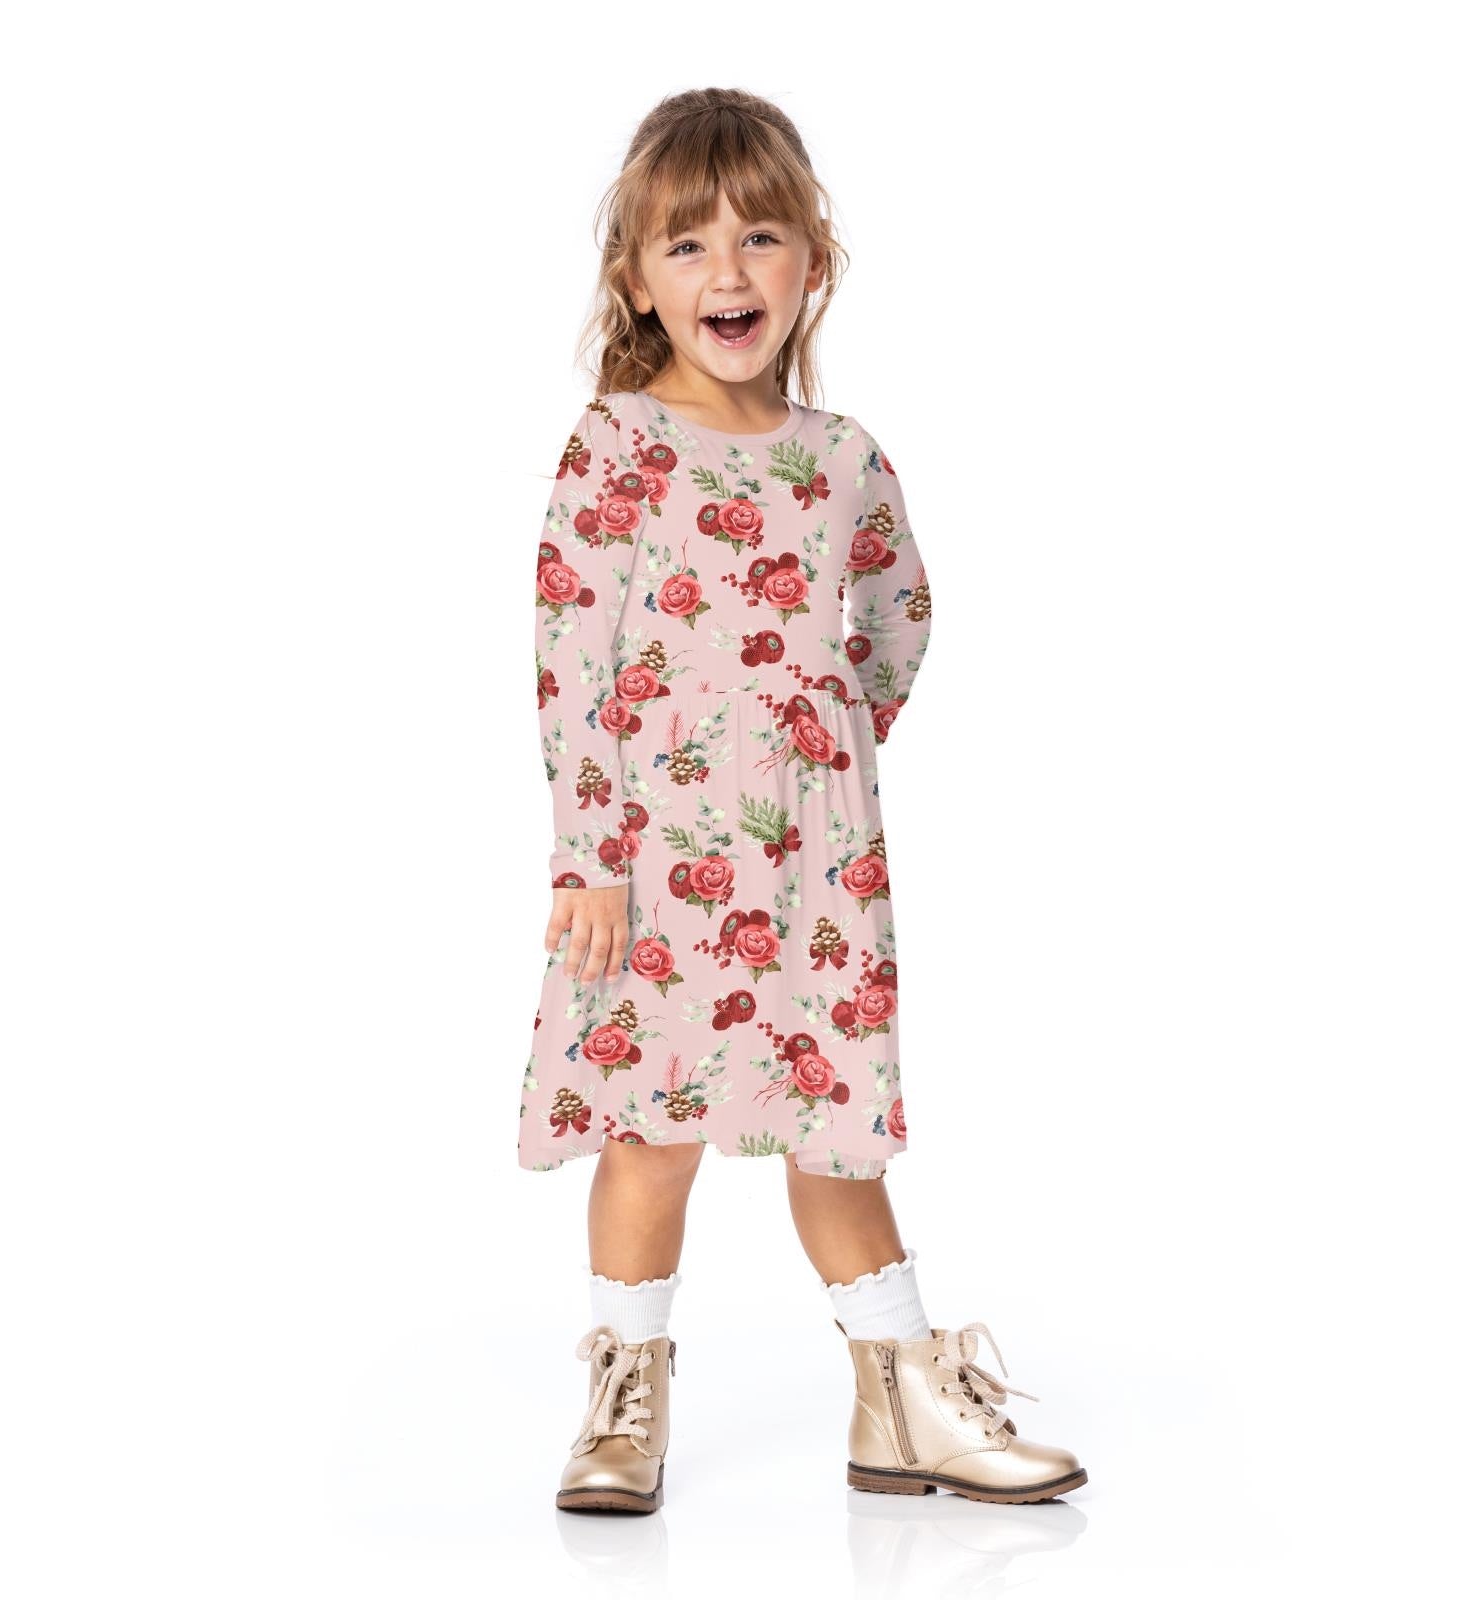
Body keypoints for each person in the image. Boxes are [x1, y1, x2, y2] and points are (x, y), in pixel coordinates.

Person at [521, 87, 1087, 1514]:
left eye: (760, 238)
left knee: (834, 1128)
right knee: (650, 1136)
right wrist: (591, 856)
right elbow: (571, 659)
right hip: (652, 870)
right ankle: (623, 1402)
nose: (728, 271)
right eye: (689, 244)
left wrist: (823, 745)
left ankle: (902, 1401)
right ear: (636, 280)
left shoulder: (843, 459)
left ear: (812, 263)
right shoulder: (615, 447)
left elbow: (900, 617)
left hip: (814, 875)